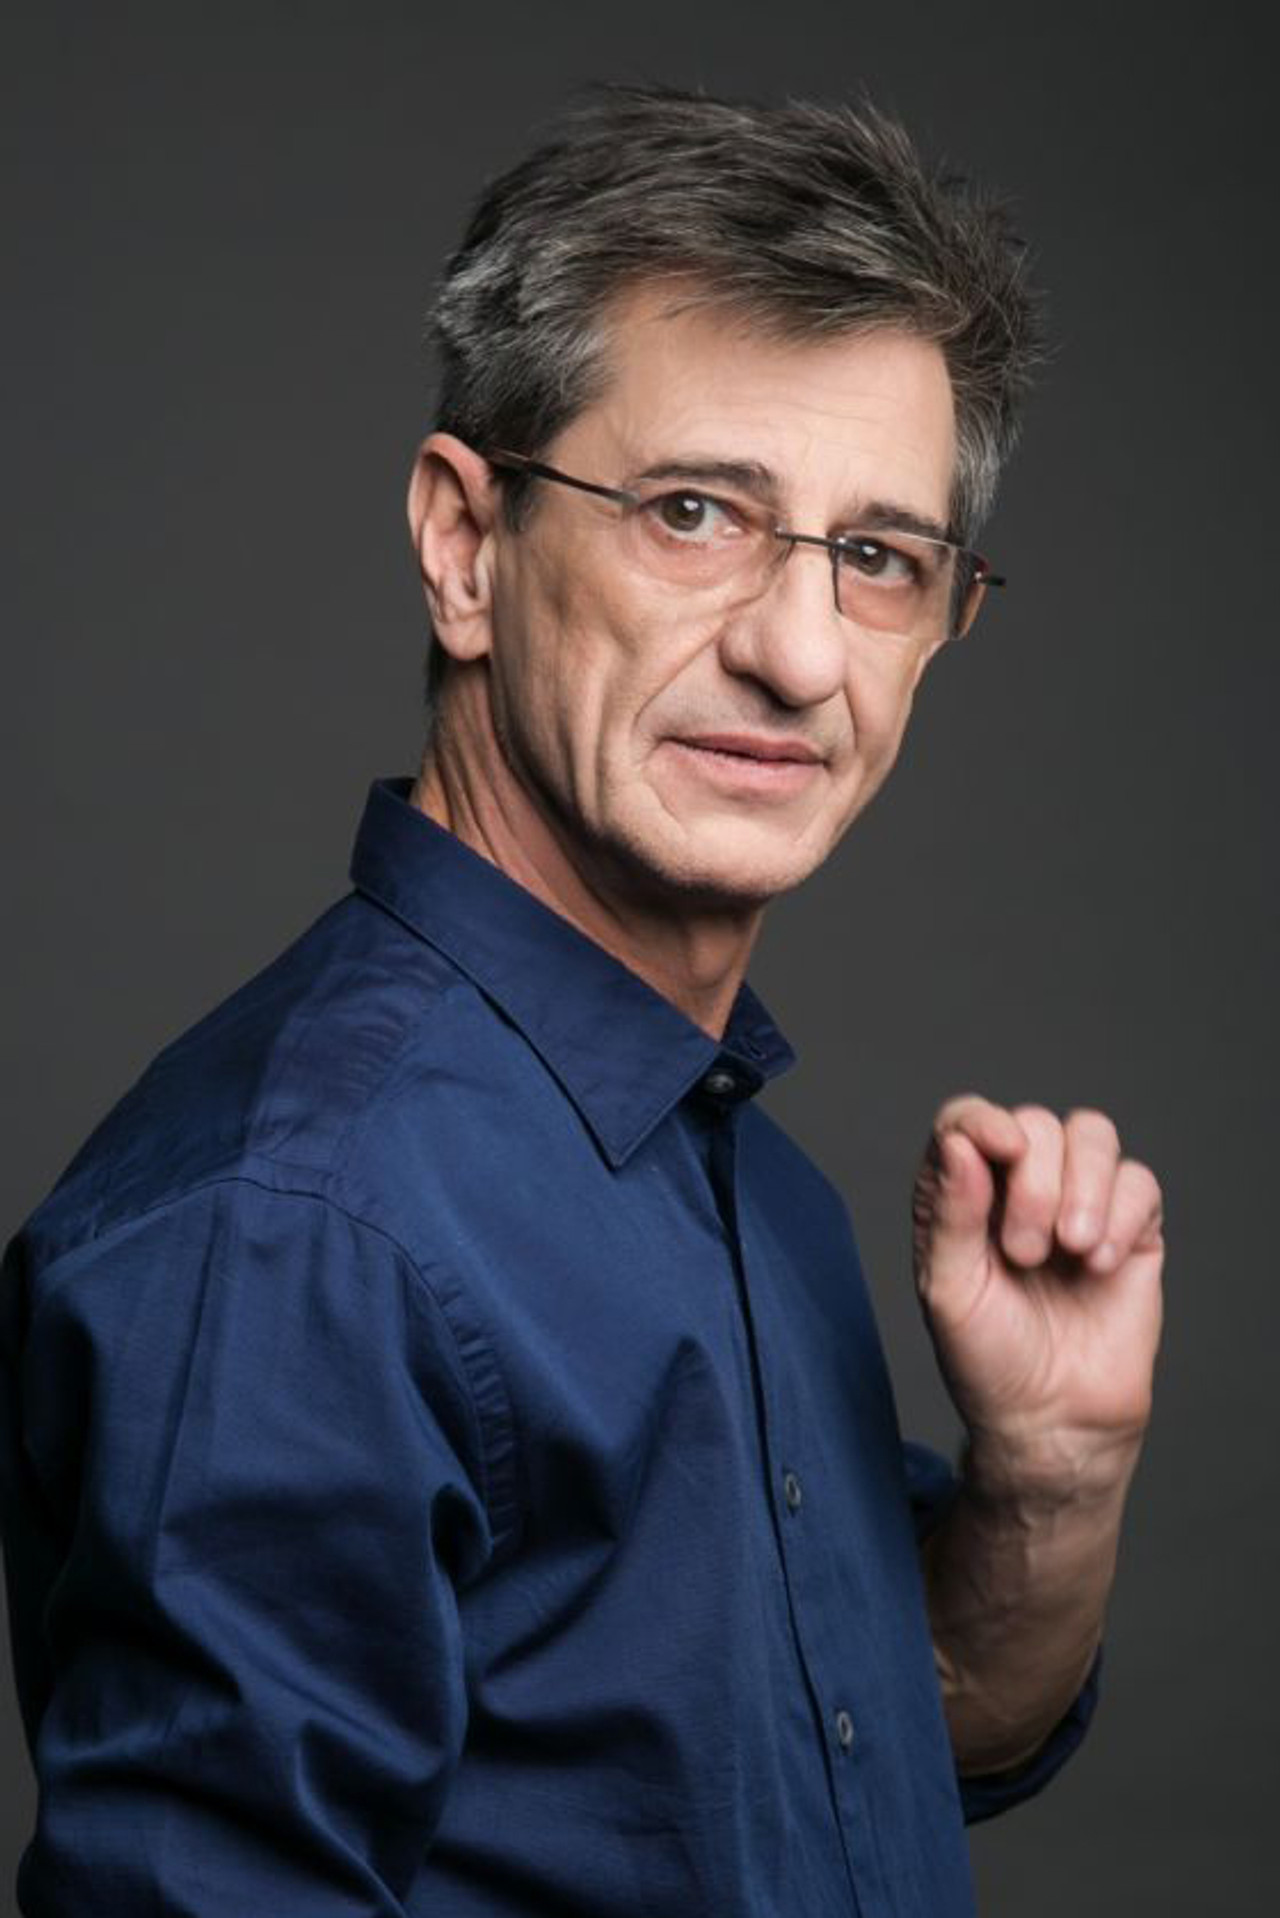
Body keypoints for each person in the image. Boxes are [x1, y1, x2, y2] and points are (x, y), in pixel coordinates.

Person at [0, 85, 1164, 1917]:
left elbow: (869, 1752)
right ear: (467, 547)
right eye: (694, 512)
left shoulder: (743, 1179)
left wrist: (1054, 1476)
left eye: (878, 556)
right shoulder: (302, 1226)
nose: (799, 653)